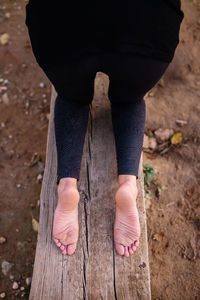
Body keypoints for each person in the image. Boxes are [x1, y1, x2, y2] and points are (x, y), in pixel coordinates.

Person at [25, 0, 184, 257]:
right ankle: (128, 184)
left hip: (62, 31)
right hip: (146, 31)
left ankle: (67, 186)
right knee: (128, 99)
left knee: (73, 98)